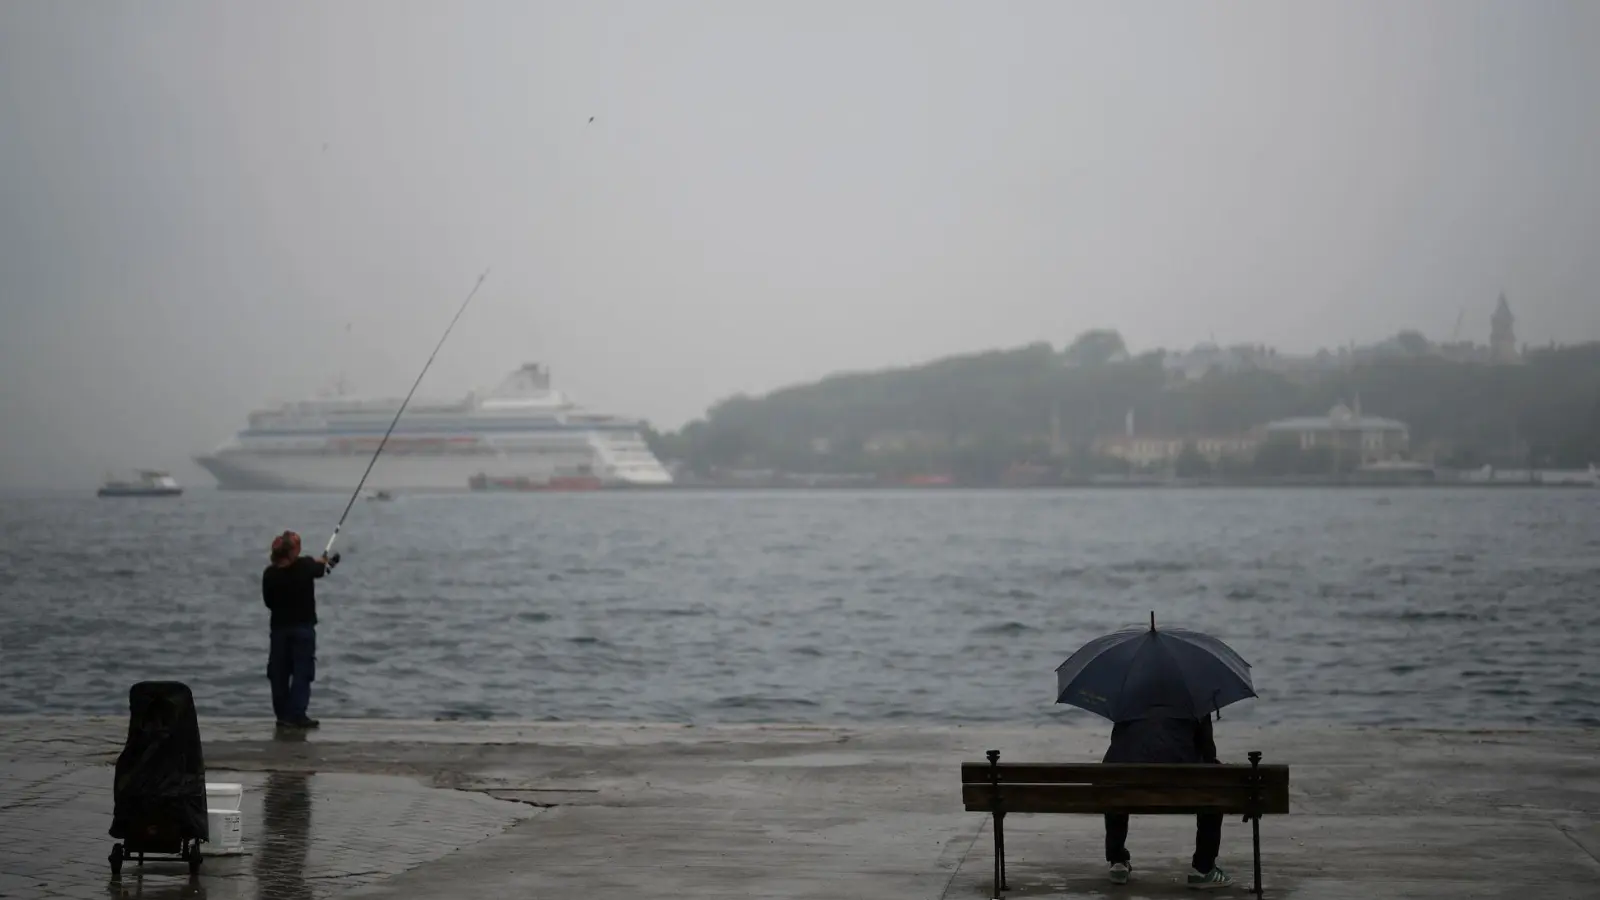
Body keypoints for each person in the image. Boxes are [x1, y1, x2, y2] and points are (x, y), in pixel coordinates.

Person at [1101, 707, 1232, 889]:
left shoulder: (1128, 702)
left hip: (1130, 787)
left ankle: (1117, 861)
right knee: (1212, 787)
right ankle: (1203, 868)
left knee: (1115, 781)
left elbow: (1119, 745)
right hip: (1181, 789)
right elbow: (1208, 753)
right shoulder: (1195, 704)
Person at [262, 530, 338, 729]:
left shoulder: (270, 574)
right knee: (302, 672)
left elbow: (268, 603)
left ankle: (282, 715)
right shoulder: (304, 566)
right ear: (292, 551)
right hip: (302, 630)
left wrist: (319, 563)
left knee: (279, 673)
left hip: (278, 630)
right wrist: (330, 562)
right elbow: (323, 569)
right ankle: (296, 715)